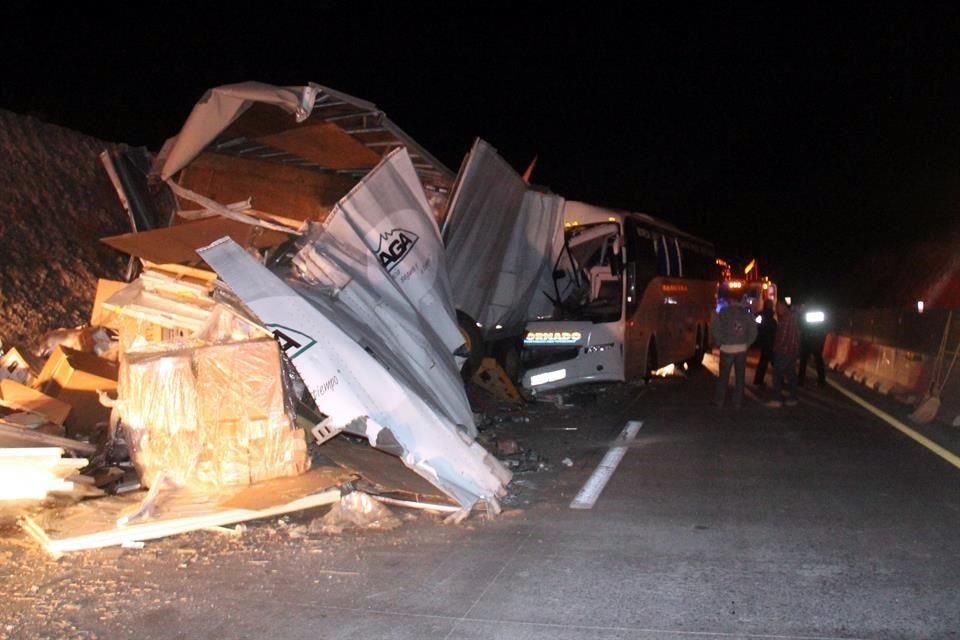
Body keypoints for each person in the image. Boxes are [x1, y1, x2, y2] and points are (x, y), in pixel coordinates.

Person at [712, 295, 758, 410]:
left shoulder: (723, 312)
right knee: (740, 377)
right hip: (741, 349)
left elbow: (715, 327)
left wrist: (720, 341)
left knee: (723, 377)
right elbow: (754, 331)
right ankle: (738, 402)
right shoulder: (746, 314)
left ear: (731, 300)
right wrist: (747, 343)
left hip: (726, 348)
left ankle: (720, 401)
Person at [767, 300, 800, 408]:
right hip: (793, 351)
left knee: (777, 375)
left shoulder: (785, 319)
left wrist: (775, 348)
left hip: (784, 351)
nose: (776, 310)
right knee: (791, 374)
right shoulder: (794, 317)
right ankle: (793, 398)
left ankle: (776, 399)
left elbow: (782, 337)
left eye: (777, 307)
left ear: (782, 306)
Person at [798, 304, 827, 387]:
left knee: (803, 361)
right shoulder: (820, 313)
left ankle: (800, 381)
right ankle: (821, 380)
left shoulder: (804, 313)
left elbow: (801, 325)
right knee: (818, 360)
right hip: (816, 339)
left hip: (806, 339)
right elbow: (823, 326)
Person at [753, 299, 777, 387]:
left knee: (763, 362)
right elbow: (773, 329)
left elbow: (757, 326)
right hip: (770, 342)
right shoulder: (771, 316)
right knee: (774, 363)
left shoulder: (760, 315)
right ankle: (778, 381)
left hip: (764, 341)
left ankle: (758, 380)